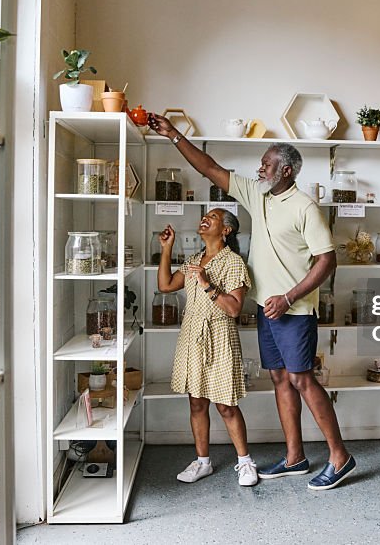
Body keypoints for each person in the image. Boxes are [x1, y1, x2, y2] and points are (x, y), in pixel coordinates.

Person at [148, 113, 356, 491]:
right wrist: (173, 135)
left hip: (295, 310)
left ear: (287, 171)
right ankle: (295, 457)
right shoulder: (257, 194)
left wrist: (290, 295)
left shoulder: (305, 207)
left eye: (267, 164)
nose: (260, 169)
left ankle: (340, 457)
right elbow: (210, 168)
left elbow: (328, 259)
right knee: (279, 379)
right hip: (266, 308)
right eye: (261, 163)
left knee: (301, 379)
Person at [157, 207, 258, 487]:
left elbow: (235, 309)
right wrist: (167, 248)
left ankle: (245, 462)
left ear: (226, 230)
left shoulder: (234, 262)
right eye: (205, 215)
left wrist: (205, 282)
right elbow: (165, 285)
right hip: (192, 334)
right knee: (196, 403)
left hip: (220, 334)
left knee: (226, 405)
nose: (205, 218)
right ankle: (202, 462)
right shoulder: (193, 260)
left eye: (213, 217)